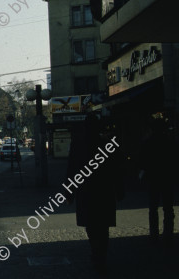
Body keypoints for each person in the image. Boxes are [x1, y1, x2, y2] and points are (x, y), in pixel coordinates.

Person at [66, 113, 124, 274]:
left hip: (87, 191)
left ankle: (96, 252)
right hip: (104, 191)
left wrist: (69, 193)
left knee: (91, 225)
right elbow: (116, 169)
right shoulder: (106, 144)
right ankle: (101, 256)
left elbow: (72, 169)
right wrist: (120, 190)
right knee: (103, 226)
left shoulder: (78, 144)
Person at [139, 113, 176, 247]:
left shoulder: (148, 142)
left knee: (153, 208)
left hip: (154, 178)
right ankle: (168, 234)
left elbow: (142, 162)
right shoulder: (170, 142)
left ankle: (154, 234)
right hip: (167, 178)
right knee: (168, 208)